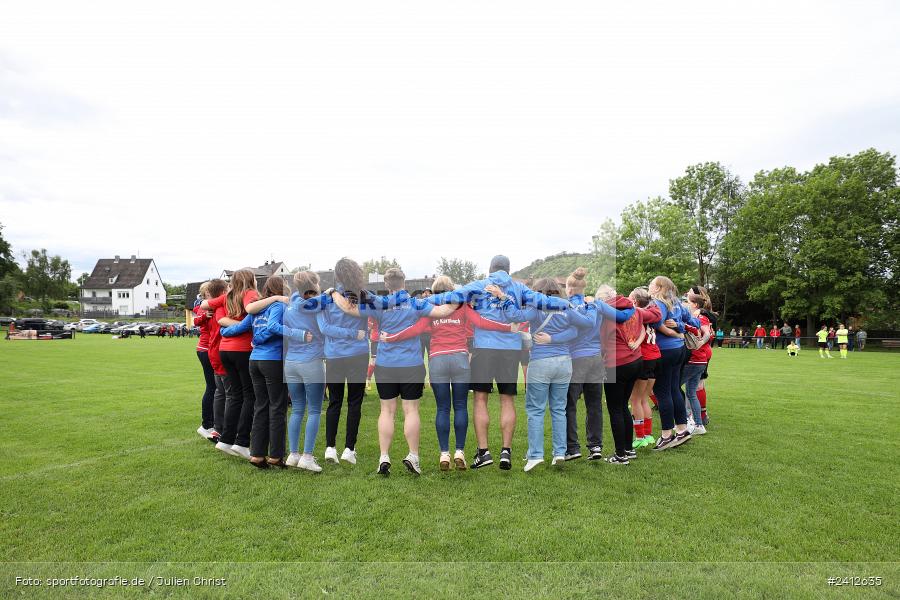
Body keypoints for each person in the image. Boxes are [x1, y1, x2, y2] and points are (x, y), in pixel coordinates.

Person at [427, 255, 572, 470]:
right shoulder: (519, 288)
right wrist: (566, 303)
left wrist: (416, 302)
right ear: (508, 269)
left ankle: (483, 453)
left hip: (484, 347)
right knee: (507, 400)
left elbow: (452, 295)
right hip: (510, 349)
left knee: (480, 399)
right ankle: (506, 452)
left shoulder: (480, 285)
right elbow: (542, 300)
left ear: (490, 269)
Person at [379, 275, 518, 471]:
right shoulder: (461, 306)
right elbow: (481, 322)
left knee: (443, 408)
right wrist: (507, 327)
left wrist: (392, 338)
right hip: (460, 358)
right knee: (460, 406)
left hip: (438, 359)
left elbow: (415, 329)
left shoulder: (430, 308)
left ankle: (444, 453)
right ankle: (459, 451)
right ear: (453, 289)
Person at [331, 267, 456, 475]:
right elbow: (444, 311)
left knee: (387, 411)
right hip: (411, 364)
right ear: (404, 282)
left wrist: (333, 293)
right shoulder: (416, 303)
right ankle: (413, 456)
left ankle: (384, 457)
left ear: (386, 285)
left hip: (386, 365)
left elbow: (348, 309)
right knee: (411, 411)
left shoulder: (379, 305)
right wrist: (457, 297)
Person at [491, 278, 596, 470]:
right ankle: (559, 453)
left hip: (540, 362)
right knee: (559, 409)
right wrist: (591, 306)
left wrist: (503, 297)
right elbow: (583, 326)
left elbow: (514, 315)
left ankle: (536, 455)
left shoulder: (535, 307)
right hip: (564, 363)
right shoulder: (566, 306)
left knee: (536, 410)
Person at [274, 271, 333, 472]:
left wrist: (295, 334)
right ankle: (307, 456)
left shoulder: (291, 305)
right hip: (311, 361)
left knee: (298, 409)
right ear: (313, 284)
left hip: (291, 362)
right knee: (315, 410)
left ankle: (293, 454)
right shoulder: (315, 305)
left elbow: (278, 327)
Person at [316, 258, 370, 466]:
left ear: (337, 276)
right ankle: (348, 448)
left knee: (335, 401)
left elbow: (324, 328)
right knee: (354, 401)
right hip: (356, 352)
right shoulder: (364, 296)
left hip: (335, 355)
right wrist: (353, 334)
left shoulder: (327, 298)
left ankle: (332, 447)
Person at [201, 269, 259, 460]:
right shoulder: (250, 293)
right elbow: (251, 310)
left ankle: (226, 439)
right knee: (249, 396)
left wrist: (230, 322)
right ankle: (242, 441)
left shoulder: (227, 296)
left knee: (234, 395)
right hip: (243, 349)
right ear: (251, 280)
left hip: (225, 350)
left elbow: (204, 304)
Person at [648, 276, 699, 451]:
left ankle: (666, 436)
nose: (649, 286)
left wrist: (672, 331)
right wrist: (679, 328)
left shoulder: (658, 302)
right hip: (679, 350)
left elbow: (655, 321)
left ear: (658, 287)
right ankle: (682, 429)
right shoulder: (677, 302)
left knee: (662, 392)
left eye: (651, 284)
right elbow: (694, 322)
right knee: (674, 389)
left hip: (665, 350)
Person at [563, 267, 604, 462]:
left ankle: (572, 447)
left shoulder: (567, 307)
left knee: (569, 404)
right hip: (596, 357)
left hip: (576, 358)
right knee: (594, 404)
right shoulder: (594, 306)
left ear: (569, 289)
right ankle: (595, 446)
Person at [628, 287, 663, 449]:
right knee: (644, 398)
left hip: (644, 358)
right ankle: (648, 435)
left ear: (635, 301)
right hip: (655, 357)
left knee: (635, 399)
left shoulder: (637, 314)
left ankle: (640, 436)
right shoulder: (651, 312)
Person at [682, 288, 714, 436]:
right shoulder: (701, 315)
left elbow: (706, 333)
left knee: (674, 388)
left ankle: (688, 421)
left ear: (694, 304)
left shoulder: (699, 316)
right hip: (700, 359)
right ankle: (699, 424)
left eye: (687, 301)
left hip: (695, 359)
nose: (685, 304)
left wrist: (699, 344)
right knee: (691, 392)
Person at [192, 282, 217, 441]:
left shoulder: (207, 305)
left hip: (207, 349)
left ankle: (211, 423)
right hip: (206, 350)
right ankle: (206, 425)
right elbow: (195, 320)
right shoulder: (204, 306)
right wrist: (203, 315)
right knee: (212, 387)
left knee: (215, 387)